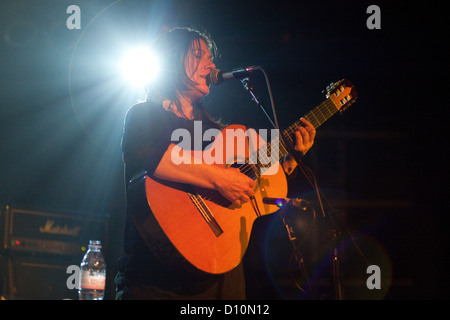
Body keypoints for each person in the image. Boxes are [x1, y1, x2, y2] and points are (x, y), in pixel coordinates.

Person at [114, 26, 316, 300]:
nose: (211, 64)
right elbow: (151, 154)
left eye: (211, 57)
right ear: (172, 59)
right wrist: (219, 179)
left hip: (219, 279)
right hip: (154, 281)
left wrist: (291, 158)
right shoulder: (143, 114)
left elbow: (260, 185)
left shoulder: (220, 133)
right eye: (199, 54)